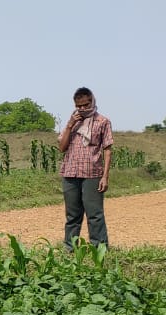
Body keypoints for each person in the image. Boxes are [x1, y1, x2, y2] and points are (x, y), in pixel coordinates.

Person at [58, 87, 113, 250]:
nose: (82, 109)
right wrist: (69, 125)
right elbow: (62, 147)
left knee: (95, 214)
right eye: (79, 106)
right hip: (70, 173)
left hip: (92, 174)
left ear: (92, 101)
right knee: (72, 215)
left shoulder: (102, 121)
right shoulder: (73, 123)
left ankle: (99, 248)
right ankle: (70, 248)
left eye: (86, 104)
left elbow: (107, 150)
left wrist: (105, 176)